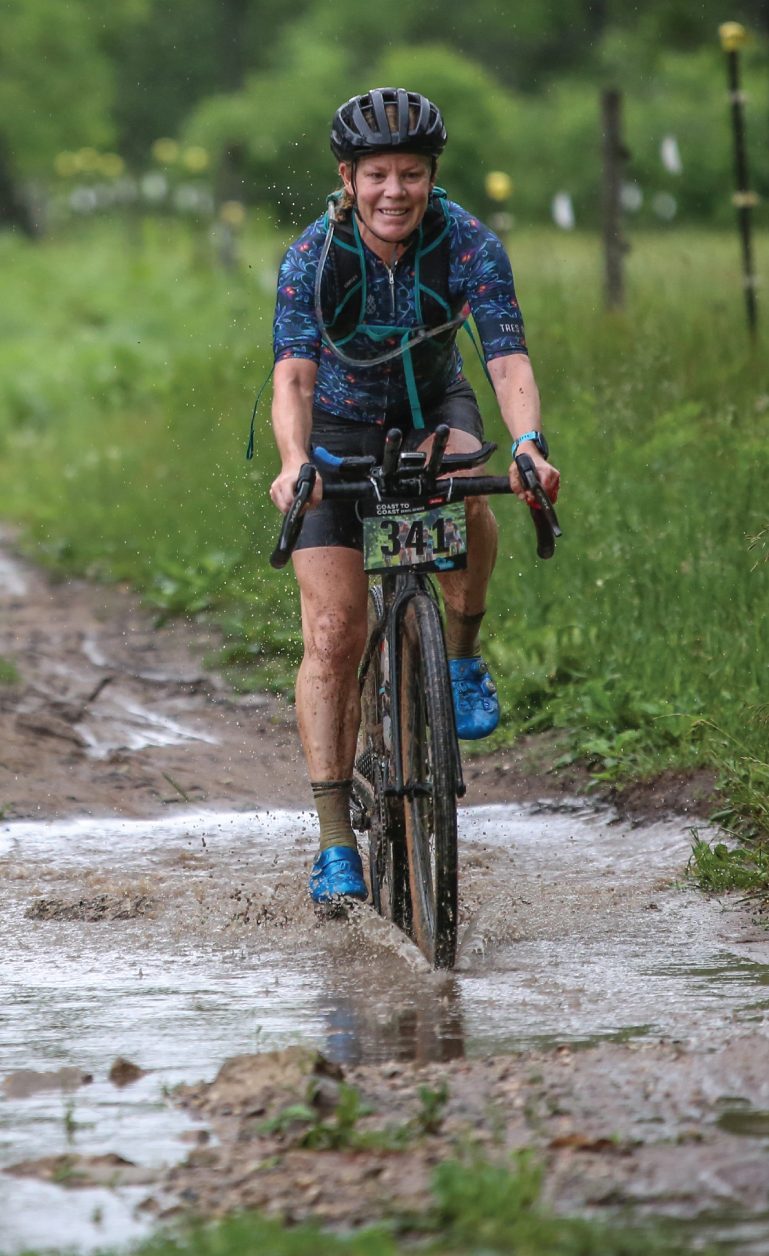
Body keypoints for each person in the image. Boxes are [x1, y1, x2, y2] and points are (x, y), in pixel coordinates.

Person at [266, 88, 562, 904]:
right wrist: (295, 461)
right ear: (348, 179)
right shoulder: (313, 255)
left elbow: (506, 358)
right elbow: (293, 376)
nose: (394, 191)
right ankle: (335, 841)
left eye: (412, 174)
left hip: (433, 408)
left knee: (468, 480)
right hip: (337, 427)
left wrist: (529, 446)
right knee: (334, 633)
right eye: (377, 175)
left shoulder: (468, 243)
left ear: (433, 177)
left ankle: (460, 658)